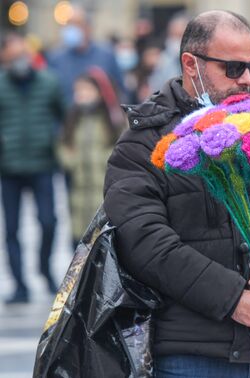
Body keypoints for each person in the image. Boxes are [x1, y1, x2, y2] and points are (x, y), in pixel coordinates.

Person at [102, 10, 250, 377]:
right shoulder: (144, 141)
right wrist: (232, 300)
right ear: (190, 64)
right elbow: (145, 243)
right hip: (188, 358)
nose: (245, 80)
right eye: (232, 68)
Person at [0, 33, 65, 303]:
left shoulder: (48, 83)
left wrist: (56, 145)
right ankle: (19, 284)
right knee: (12, 229)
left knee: (48, 222)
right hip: (9, 167)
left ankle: (44, 269)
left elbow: (63, 116)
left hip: (42, 164)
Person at [58, 67, 125, 248]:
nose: (81, 95)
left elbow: (123, 147)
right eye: (78, 91)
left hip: (105, 191)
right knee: (80, 242)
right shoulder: (74, 118)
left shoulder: (114, 119)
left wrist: (104, 158)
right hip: (79, 193)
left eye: (86, 90)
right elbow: (63, 144)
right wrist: (70, 159)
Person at [47, 4, 125, 105]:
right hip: (66, 119)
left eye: (77, 24)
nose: (71, 29)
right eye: (69, 24)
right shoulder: (56, 58)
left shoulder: (106, 56)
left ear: (88, 28)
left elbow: (120, 90)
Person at [148, 11, 189, 93]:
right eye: (173, 35)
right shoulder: (163, 59)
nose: (176, 40)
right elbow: (155, 86)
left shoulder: (195, 60)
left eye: (179, 35)